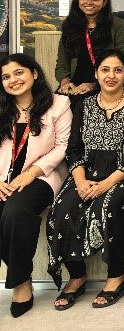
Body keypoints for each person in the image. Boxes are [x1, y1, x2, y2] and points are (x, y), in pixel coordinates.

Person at [48, 49, 124, 310]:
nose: (111, 75)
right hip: (86, 173)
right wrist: (81, 182)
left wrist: (106, 184)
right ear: (96, 74)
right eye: (105, 70)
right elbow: (73, 149)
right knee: (62, 208)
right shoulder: (83, 105)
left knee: (108, 206)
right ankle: (77, 276)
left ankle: (118, 275)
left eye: (118, 70)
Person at [0, 54, 71, 318]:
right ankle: (22, 276)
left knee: (15, 211)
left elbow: (62, 147)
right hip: (3, 178)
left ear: (35, 73)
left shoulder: (58, 104)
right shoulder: (1, 108)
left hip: (43, 175)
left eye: (19, 72)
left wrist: (31, 173)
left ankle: (20, 283)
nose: (13, 80)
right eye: (6, 77)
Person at [55, 0, 124, 105]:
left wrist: (95, 85)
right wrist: (65, 83)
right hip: (75, 85)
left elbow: (121, 61)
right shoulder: (69, 25)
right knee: (55, 105)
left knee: (84, 104)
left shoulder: (117, 25)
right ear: (77, 1)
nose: (89, 2)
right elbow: (62, 63)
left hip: (107, 83)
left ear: (104, 2)